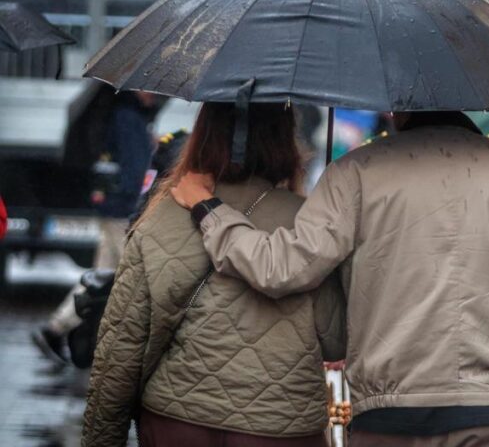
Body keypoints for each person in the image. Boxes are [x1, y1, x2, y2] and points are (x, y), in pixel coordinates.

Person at [171, 110, 489, 447]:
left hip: (386, 418)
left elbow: (281, 268)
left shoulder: (356, 171)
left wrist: (209, 210)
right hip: (488, 412)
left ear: (397, 108)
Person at [82, 103, 344, 447]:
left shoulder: (162, 217)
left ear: (203, 135)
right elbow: (335, 339)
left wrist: (102, 439)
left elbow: (121, 347)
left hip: (175, 421)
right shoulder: (308, 226)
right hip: (279, 426)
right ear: (285, 141)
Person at [35, 91, 159, 363]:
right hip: (123, 211)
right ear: (136, 89)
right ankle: (123, 345)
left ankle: (56, 329)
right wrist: (140, 203)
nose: (155, 95)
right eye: (150, 90)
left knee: (101, 276)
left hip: (113, 208)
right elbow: (134, 172)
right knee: (138, 275)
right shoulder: (129, 118)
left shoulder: (123, 114)